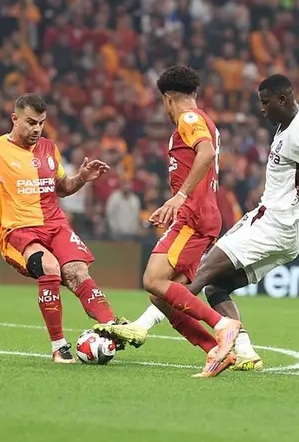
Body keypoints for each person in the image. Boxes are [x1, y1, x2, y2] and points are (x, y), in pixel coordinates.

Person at [97, 74, 299, 376]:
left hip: (273, 223)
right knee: (217, 286)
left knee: (199, 276)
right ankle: (245, 352)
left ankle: (142, 326)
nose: (262, 110)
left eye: (266, 103)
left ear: (283, 99)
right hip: (290, 233)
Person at [94, 66, 243, 378]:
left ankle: (222, 325)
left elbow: (206, 154)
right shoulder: (204, 120)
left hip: (193, 216)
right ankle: (216, 350)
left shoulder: (188, 119)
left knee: (153, 279)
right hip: (201, 214)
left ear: (168, 99)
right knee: (160, 295)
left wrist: (180, 197)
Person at [0, 93, 124, 364]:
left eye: (41, 123)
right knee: (50, 267)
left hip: (55, 225)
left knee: (77, 271)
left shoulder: (49, 148)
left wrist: (82, 178)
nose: (36, 129)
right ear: (15, 119)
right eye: (30, 122)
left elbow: (63, 188)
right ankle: (59, 346)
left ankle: (113, 328)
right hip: (19, 231)